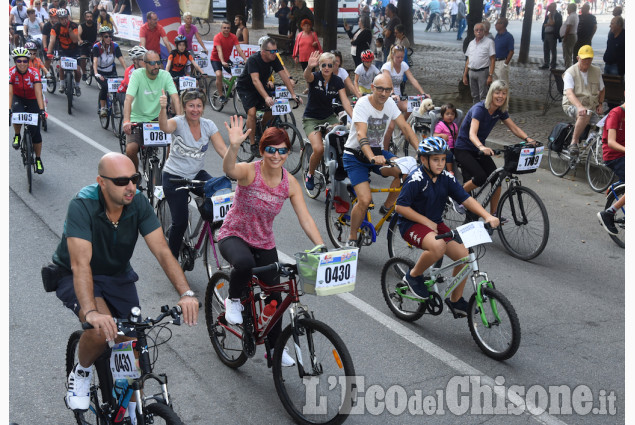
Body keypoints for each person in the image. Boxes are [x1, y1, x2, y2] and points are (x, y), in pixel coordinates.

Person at [54, 152, 199, 413]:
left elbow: (163, 251)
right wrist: (91, 312)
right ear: (102, 182)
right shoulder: (82, 205)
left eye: (134, 178)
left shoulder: (138, 203)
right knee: (100, 330)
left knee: (130, 342)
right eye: (122, 181)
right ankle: (82, 371)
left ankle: (132, 412)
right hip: (76, 273)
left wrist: (186, 292)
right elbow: (80, 264)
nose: (131, 186)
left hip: (118, 275)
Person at [220, 119, 325, 367]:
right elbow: (229, 170)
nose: (276, 155)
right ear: (262, 151)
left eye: (282, 150)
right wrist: (233, 146)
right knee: (243, 264)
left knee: (275, 299)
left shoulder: (290, 183)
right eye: (271, 149)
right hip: (234, 235)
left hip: (264, 242)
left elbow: (306, 218)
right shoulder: (250, 171)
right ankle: (233, 300)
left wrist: (320, 245)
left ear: (288, 153)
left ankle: (274, 349)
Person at [395, 137, 499, 311]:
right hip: (411, 224)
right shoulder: (416, 179)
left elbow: (465, 199)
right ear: (423, 159)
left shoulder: (445, 178)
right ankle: (413, 276)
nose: (441, 164)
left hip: (435, 224)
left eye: (443, 159)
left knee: (464, 256)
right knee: (438, 247)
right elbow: (400, 207)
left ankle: (455, 300)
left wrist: (487, 216)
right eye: (436, 159)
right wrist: (425, 221)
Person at [342, 74, 420, 246]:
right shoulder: (363, 104)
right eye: (380, 89)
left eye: (387, 89)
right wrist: (371, 157)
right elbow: (361, 134)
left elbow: (405, 127)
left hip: (377, 152)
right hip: (355, 155)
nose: (384, 93)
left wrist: (421, 151)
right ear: (372, 87)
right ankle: (352, 238)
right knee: (364, 199)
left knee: (407, 171)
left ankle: (387, 207)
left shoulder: (390, 103)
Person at [158, 89, 229, 259]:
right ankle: (172, 261)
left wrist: (236, 164)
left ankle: (216, 226)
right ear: (184, 106)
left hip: (196, 174)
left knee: (222, 193)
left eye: (198, 106)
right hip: (174, 177)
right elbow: (165, 127)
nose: (195, 109)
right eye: (191, 106)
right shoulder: (178, 122)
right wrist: (162, 109)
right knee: (180, 223)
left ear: (203, 107)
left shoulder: (208, 125)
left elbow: (222, 149)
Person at [455, 80, 535, 217]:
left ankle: (494, 215)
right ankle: (457, 196)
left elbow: (513, 127)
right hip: (463, 148)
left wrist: (528, 139)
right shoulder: (480, 109)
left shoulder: (500, 111)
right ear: (491, 94)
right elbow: (472, 134)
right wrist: (481, 146)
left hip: (478, 149)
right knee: (480, 177)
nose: (500, 96)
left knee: (497, 179)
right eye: (497, 92)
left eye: (504, 93)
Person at [236, 37, 300, 157]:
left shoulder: (274, 59)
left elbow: (284, 76)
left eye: (276, 50)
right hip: (246, 88)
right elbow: (255, 81)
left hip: (261, 86)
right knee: (252, 112)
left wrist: (293, 94)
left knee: (273, 107)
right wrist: (266, 97)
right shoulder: (254, 60)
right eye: (272, 51)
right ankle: (253, 143)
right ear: (263, 51)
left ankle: (260, 128)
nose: (275, 53)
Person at [302, 51, 354, 191]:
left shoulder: (337, 81)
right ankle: (310, 174)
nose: (326, 67)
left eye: (329, 65)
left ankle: (338, 168)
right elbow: (307, 76)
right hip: (311, 119)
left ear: (334, 66)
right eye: (323, 64)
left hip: (329, 117)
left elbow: (345, 101)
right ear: (319, 66)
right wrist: (309, 67)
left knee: (341, 138)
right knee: (318, 149)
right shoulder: (315, 77)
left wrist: (355, 119)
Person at [123, 50, 181, 171]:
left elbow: (175, 97)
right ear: (144, 64)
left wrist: (180, 119)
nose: (156, 66)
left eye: (158, 62)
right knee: (130, 150)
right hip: (137, 117)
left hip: (158, 118)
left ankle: (166, 170)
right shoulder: (137, 75)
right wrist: (126, 120)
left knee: (174, 143)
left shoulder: (165, 75)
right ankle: (135, 174)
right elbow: (128, 99)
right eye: (152, 63)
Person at [562, 45, 604, 156]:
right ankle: (574, 142)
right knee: (585, 114)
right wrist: (579, 106)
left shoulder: (596, 71)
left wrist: (600, 104)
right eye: (584, 58)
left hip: (591, 105)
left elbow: (602, 89)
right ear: (578, 58)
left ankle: (590, 144)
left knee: (605, 124)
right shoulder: (570, 72)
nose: (587, 61)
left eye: (589, 58)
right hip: (572, 104)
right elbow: (569, 93)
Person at [10, 47, 47, 174]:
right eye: (19, 61)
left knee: (36, 133)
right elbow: (9, 93)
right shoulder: (10, 73)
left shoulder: (34, 72)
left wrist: (42, 110)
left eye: (25, 61)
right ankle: (17, 135)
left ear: (28, 61)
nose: (22, 63)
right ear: (15, 61)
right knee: (16, 112)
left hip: (32, 99)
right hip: (18, 97)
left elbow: (38, 92)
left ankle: (38, 159)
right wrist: (8, 109)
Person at [597, 103, 625, 235]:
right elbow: (611, 142)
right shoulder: (616, 113)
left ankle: (621, 185)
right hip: (614, 156)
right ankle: (609, 213)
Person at [47, 8, 81, 95]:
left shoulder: (73, 26)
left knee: (77, 71)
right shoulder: (55, 27)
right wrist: (49, 53)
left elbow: (75, 40)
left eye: (65, 18)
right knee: (62, 67)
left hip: (74, 50)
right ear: (58, 19)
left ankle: (77, 86)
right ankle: (62, 84)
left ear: (67, 17)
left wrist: (70, 31)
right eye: (61, 19)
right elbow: (52, 41)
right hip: (63, 50)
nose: (64, 20)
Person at [93, 26, 126, 117]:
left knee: (116, 86)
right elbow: (95, 61)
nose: (108, 38)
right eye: (106, 36)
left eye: (110, 36)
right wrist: (96, 73)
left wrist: (127, 71)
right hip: (100, 71)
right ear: (102, 37)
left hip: (111, 70)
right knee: (105, 87)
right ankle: (103, 108)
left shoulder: (115, 46)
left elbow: (121, 59)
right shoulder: (97, 47)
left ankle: (115, 103)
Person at [462, 22, 495, 104]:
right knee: (474, 95)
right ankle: (476, 112)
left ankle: (484, 113)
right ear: (474, 32)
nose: (479, 32)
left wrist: (490, 75)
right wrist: (465, 75)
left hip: (483, 72)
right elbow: (468, 60)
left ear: (484, 31)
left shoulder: (489, 42)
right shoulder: (471, 43)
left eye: (481, 30)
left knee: (483, 95)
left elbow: (493, 59)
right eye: (477, 30)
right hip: (472, 71)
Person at [433, 103, 459, 174]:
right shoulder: (440, 125)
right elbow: (434, 135)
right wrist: (441, 135)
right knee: (449, 155)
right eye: (447, 114)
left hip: (454, 146)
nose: (450, 116)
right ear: (443, 115)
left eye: (452, 114)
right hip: (444, 147)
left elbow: (456, 135)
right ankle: (450, 171)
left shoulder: (454, 125)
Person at [539, 2, 561, 70]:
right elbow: (545, 24)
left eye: (551, 7)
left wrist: (549, 22)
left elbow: (553, 24)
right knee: (546, 49)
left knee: (553, 50)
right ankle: (546, 63)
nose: (549, 9)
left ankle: (553, 64)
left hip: (552, 34)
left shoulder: (557, 15)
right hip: (546, 33)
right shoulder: (548, 15)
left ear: (554, 8)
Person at [493, 17, 514, 85]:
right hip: (495, 61)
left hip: (502, 61)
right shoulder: (497, 35)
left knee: (503, 83)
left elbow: (511, 51)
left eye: (497, 23)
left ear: (502, 25)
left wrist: (505, 64)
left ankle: (505, 95)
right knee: (495, 83)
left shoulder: (508, 37)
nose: (495, 25)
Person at [78, 10, 97, 81]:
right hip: (84, 45)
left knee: (97, 58)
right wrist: (80, 40)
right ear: (85, 18)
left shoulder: (96, 25)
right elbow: (78, 35)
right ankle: (84, 73)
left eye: (91, 17)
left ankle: (94, 70)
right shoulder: (81, 26)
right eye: (88, 17)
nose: (89, 18)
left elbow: (100, 32)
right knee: (83, 58)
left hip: (93, 45)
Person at [560, 3, 578, 70]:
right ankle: (568, 68)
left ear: (571, 9)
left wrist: (565, 37)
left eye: (568, 8)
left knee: (567, 55)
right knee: (568, 54)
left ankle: (568, 69)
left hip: (569, 36)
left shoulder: (572, 16)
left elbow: (568, 27)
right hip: (571, 36)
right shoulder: (574, 16)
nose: (567, 9)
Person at [41, 7, 57, 73]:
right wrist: (45, 47)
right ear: (50, 17)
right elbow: (44, 37)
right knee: (47, 61)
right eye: (53, 17)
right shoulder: (47, 25)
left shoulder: (59, 25)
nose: (55, 19)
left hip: (57, 44)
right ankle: (46, 75)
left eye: (56, 17)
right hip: (47, 44)